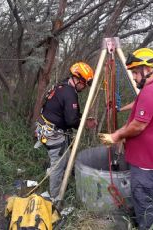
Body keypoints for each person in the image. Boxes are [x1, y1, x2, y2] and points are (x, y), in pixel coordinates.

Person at [99, 48, 153, 229]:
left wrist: (116, 136)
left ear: (147, 69)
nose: (133, 77)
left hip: (146, 166)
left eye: (134, 72)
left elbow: (138, 125)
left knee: (145, 207)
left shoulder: (151, 91)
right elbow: (140, 116)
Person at [35, 62, 95, 199]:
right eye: (84, 83)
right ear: (78, 79)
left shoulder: (61, 86)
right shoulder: (69, 94)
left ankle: (59, 179)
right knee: (58, 165)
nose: (84, 87)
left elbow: (67, 113)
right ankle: (55, 197)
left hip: (45, 128)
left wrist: (83, 119)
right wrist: (85, 124)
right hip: (53, 133)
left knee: (64, 158)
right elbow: (71, 121)